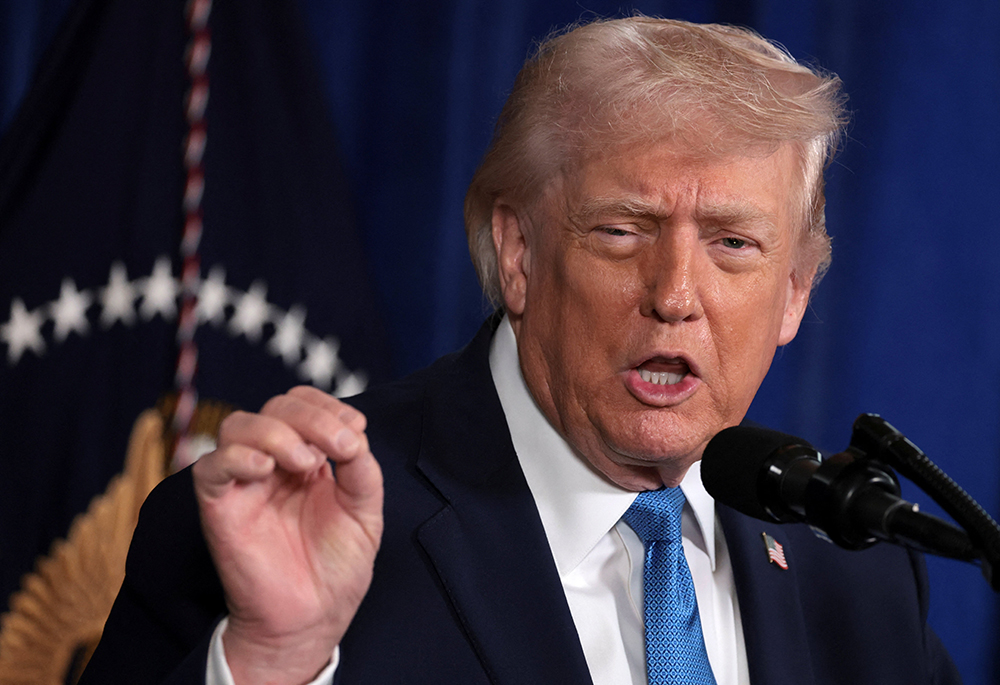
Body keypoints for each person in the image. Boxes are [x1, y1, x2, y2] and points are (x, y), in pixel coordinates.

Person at [81, 16, 961, 685]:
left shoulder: (860, 569)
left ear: (796, 293)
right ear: (519, 255)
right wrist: (273, 661)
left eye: (734, 243)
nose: (675, 295)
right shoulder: (296, 525)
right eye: (621, 231)